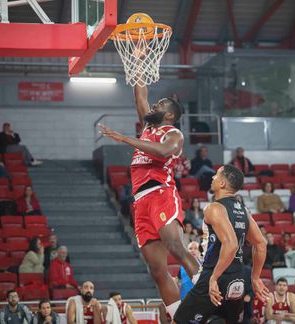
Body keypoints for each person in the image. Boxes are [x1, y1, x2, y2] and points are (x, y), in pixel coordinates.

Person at [99, 85, 199, 319]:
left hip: (160, 194)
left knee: (176, 247)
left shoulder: (173, 134)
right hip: (141, 202)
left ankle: (208, 293)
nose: (153, 106)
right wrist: (138, 65)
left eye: (160, 105)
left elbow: (164, 152)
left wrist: (124, 138)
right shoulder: (148, 126)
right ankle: (181, 317)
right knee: (157, 269)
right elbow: (140, 96)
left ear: (170, 115)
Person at [173, 165, 270, 324]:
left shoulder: (214, 208)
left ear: (223, 183)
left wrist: (214, 277)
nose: (212, 178)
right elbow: (261, 243)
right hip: (237, 279)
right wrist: (255, 277)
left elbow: (230, 244)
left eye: (216, 175)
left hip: (216, 275)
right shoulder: (243, 211)